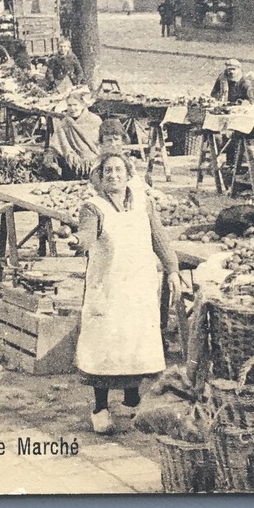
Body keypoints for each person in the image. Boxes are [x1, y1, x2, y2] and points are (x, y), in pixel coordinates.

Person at [75, 151, 181, 434]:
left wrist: (172, 269)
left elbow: (159, 236)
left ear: (128, 174)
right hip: (107, 286)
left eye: (118, 170)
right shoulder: (93, 206)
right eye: (107, 171)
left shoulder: (143, 203)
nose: (113, 175)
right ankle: (100, 408)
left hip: (139, 285)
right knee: (105, 345)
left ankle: (132, 398)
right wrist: (76, 241)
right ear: (99, 176)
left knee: (134, 340)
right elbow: (86, 234)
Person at [43, 91, 103, 180]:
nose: (72, 108)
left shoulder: (94, 120)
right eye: (69, 105)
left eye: (75, 105)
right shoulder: (64, 123)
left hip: (91, 163)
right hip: (70, 164)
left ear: (82, 105)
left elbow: (99, 143)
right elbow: (55, 143)